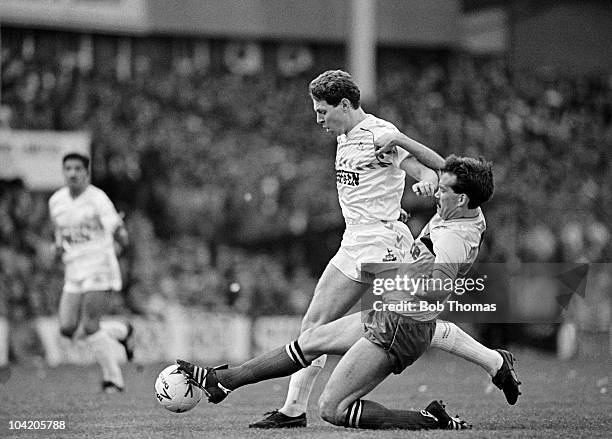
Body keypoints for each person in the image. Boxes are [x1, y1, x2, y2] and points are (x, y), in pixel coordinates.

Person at [178, 155, 515, 430]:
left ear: (462, 198)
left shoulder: (453, 239)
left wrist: (399, 271)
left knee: (333, 409)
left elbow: (438, 291)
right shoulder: (468, 212)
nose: (435, 195)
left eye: (443, 191)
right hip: (394, 315)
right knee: (309, 341)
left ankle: (432, 421)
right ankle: (222, 380)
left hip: (402, 326)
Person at [242, 69, 444, 428]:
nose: (318, 119)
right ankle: (292, 411)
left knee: (409, 323)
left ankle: (491, 361)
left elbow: (424, 170)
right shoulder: (345, 134)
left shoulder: (380, 134)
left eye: (323, 111)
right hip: (354, 240)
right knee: (314, 325)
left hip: (381, 245)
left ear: (346, 104)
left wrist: (427, 185)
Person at [49, 152, 134, 393]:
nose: (73, 173)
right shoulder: (56, 201)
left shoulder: (98, 199)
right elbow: (59, 232)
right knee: (66, 327)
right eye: (68, 168)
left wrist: (122, 236)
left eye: (78, 168)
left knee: (89, 325)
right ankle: (122, 331)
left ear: (87, 173)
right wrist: (57, 247)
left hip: (99, 265)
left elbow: (117, 229)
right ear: (63, 172)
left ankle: (113, 380)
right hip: (74, 269)